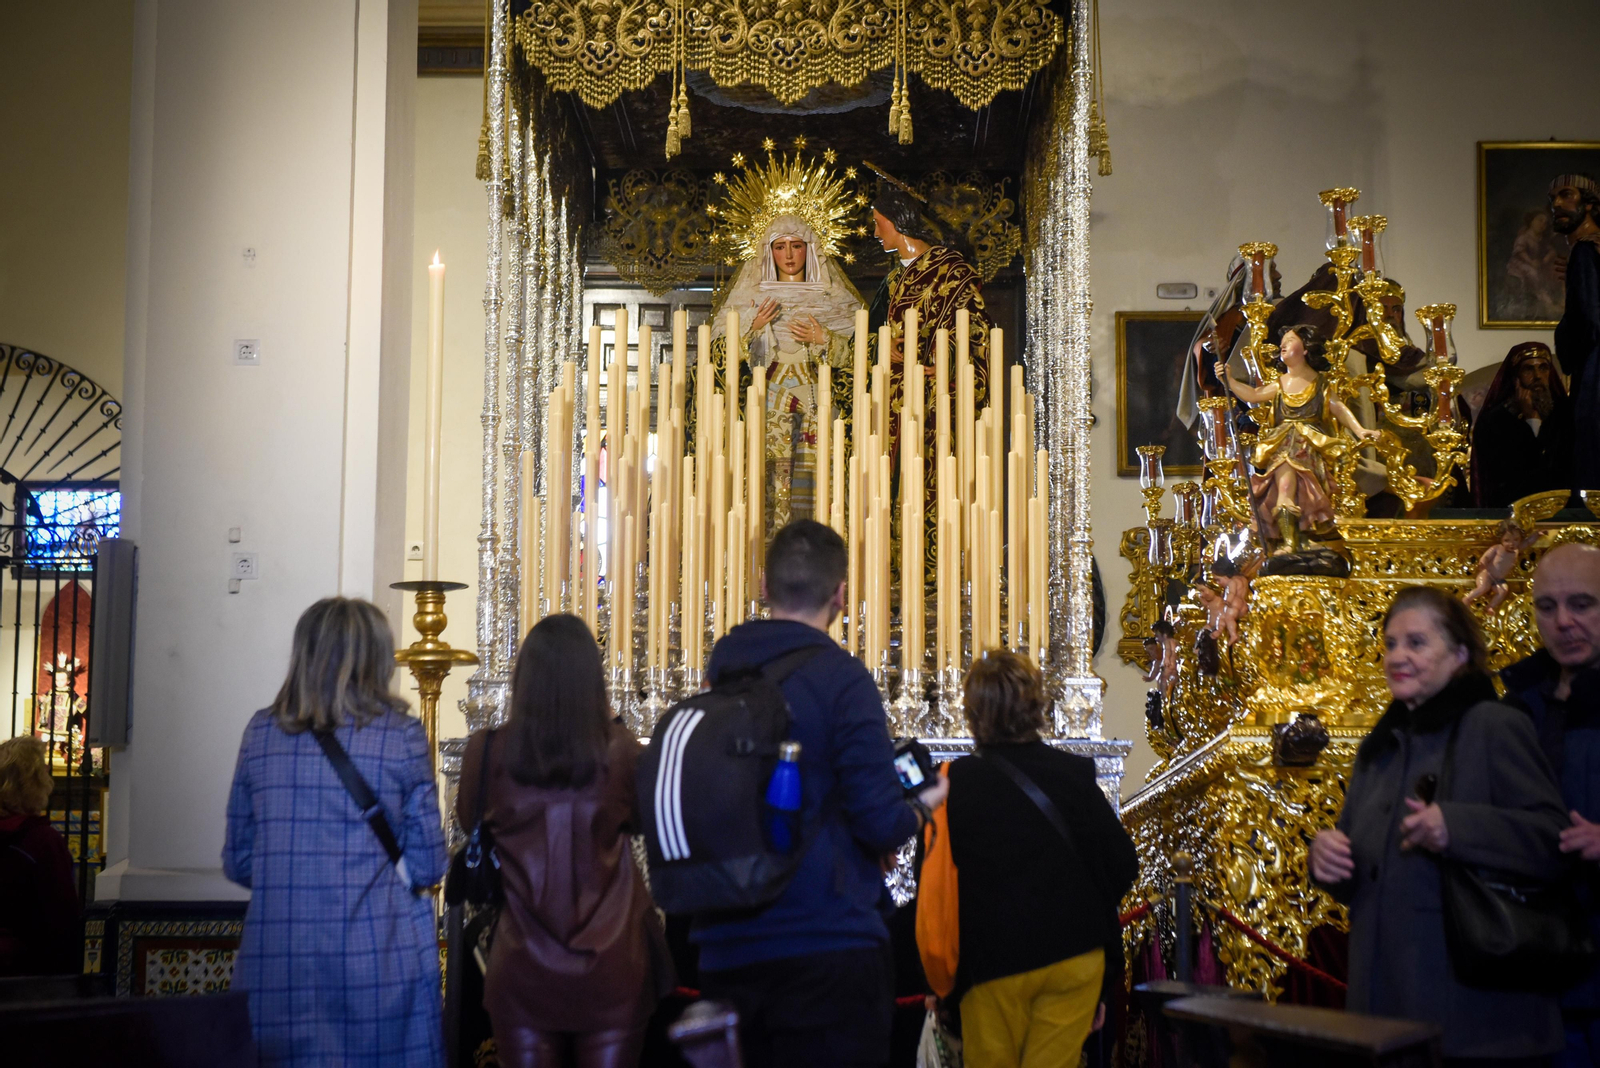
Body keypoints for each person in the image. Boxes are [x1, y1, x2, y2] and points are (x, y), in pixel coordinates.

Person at [693, 519, 949, 1068]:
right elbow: (880, 822)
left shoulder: (720, 673)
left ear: (763, 585)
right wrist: (926, 800)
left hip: (726, 944)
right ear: (841, 595)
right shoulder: (843, 680)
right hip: (824, 944)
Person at [1309, 586, 1567, 1064]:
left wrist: (1457, 827)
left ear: (1460, 654)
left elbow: (1552, 839)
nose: (1397, 656)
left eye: (1417, 643)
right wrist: (1325, 859)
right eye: (1390, 644)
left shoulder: (1494, 725)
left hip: (1474, 1019)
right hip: (1383, 1012)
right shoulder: (1380, 749)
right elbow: (1360, 872)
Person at [222, 598, 447, 1068]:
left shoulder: (260, 734)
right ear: (378, 659)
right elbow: (429, 864)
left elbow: (239, 859)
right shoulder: (400, 736)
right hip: (377, 965)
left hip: (277, 966)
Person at [456, 613, 667, 1068]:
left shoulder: (487, 750)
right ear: (593, 679)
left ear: (522, 679)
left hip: (522, 964)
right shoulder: (624, 751)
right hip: (613, 965)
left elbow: (466, 819)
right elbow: (647, 823)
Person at [945, 651, 1138, 1068]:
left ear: (974, 712)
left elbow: (942, 888)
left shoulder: (958, 783)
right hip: (1073, 958)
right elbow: (1124, 865)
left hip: (993, 964)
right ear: (1036, 705)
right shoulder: (1074, 774)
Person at [1501, 542, 1600, 1066]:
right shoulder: (1516, 705)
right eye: (1547, 607)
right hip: (1532, 971)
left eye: (1582, 604)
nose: (1563, 622)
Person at [713, 214, 864, 527]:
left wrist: (825, 339)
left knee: (818, 475)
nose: (790, 255)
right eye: (780, 247)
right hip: (768, 400)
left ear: (809, 249)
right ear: (768, 252)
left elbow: (864, 355)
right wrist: (752, 330)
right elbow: (716, 356)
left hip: (816, 398)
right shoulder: (747, 300)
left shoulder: (834, 301)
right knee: (770, 479)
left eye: (797, 245)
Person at [1216, 324, 1381, 555]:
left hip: (1311, 450)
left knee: (1304, 496)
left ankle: (1300, 539)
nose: (1283, 345)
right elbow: (1254, 395)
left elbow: (1339, 408)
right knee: (1285, 489)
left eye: (1290, 340)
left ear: (1305, 349)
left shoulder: (1320, 385)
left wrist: (1361, 430)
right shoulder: (1281, 383)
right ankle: (1289, 542)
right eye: (1282, 342)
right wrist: (1230, 382)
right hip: (1284, 446)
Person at [0, 735, 78, 976]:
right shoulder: (42, 842)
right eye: (43, 771)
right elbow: (62, 920)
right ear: (32, 782)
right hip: (28, 977)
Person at [1471, 341, 1574, 507]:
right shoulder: (1494, 421)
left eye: (1543, 368)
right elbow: (1512, 475)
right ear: (1515, 377)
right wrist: (1531, 420)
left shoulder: (1564, 415)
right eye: (1528, 369)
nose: (1538, 376)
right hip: (1511, 509)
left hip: (1561, 509)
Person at [1551, 174, 1600, 491]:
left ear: (1590, 203)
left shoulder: (1584, 251)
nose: (1556, 204)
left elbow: (1589, 321)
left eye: (1566, 195)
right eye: (1553, 197)